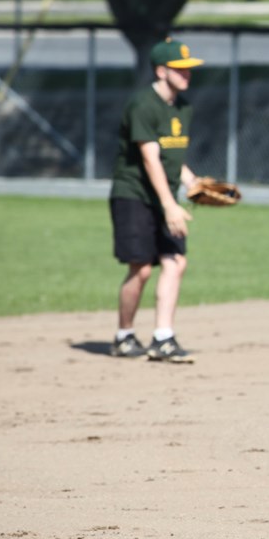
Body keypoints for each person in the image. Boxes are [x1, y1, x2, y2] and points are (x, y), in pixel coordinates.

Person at [107, 37, 205, 363]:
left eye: (189, 69)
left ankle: (163, 338)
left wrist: (194, 182)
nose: (187, 75)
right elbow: (149, 158)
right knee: (141, 269)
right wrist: (169, 205)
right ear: (161, 70)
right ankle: (124, 336)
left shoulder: (183, 107)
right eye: (181, 69)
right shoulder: (143, 106)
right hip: (134, 194)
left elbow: (170, 155)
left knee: (175, 262)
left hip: (165, 196)